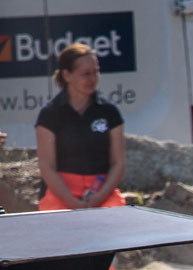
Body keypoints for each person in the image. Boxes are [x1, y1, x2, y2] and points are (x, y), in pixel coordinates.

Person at [35, 43, 126, 211]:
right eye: (86, 74)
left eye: (96, 72)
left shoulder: (109, 111)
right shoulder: (49, 114)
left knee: (117, 219)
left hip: (102, 192)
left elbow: (118, 163)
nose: (93, 79)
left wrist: (98, 197)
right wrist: (73, 203)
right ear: (67, 75)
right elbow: (47, 167)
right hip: (61, 194)